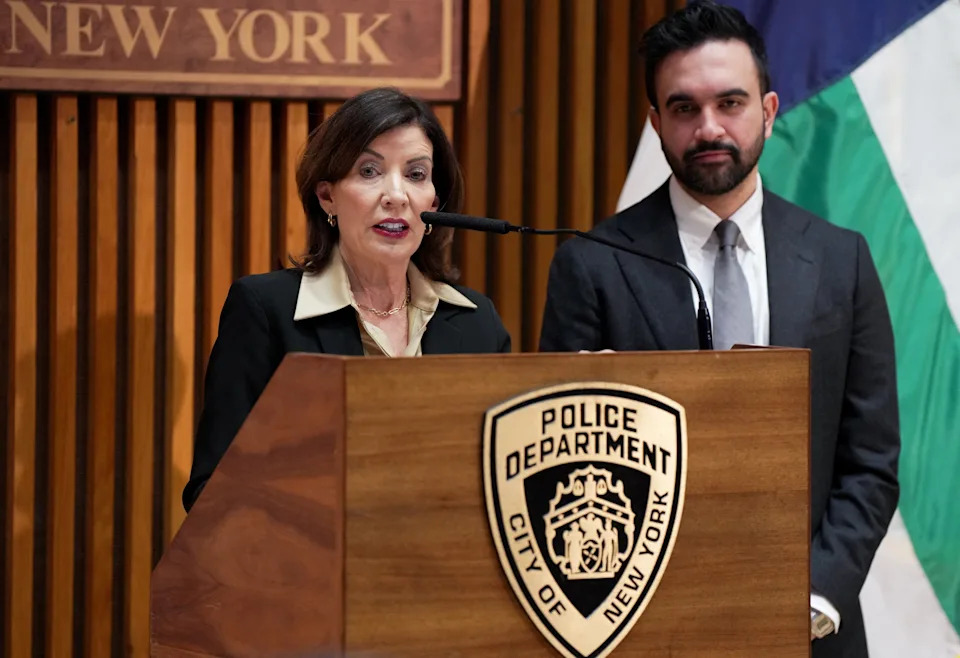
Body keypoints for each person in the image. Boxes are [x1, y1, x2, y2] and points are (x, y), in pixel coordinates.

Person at [539, 2, 899, 655]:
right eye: (683, 108)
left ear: (767, 110)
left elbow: (870, 462)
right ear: (655, 123)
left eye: (729, 103)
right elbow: (567, 464)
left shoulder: (840, 259)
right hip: (642, 625)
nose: (709, 127)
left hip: (812, 628)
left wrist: (815, 598)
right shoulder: (591, 265)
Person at [184, 87, 511, 511]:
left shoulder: (476, 322)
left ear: (436, 201)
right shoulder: (267, 310)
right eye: (370, 171)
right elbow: (212, 491)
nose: (396, 196)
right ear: (327, 197)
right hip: (306, 568)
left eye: (416, 174)